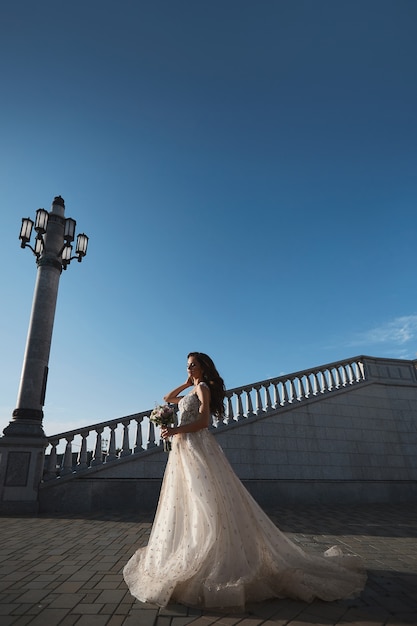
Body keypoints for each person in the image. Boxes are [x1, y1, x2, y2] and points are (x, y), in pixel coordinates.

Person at [123, 352, 366, 611]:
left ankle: (214, 555)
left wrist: (175, 430)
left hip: (196, 447)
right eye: (187, 365)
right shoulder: (193, 388)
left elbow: (204, 422)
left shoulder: (203, 387)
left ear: (204, 367)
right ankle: (193, 546)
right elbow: (168, 399)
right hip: (184, 450)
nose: (190, 368)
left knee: (204, 500)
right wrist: (185, 382)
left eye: (193, 364)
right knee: (188, 501)